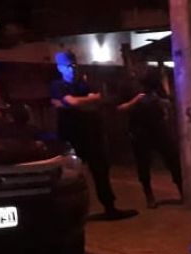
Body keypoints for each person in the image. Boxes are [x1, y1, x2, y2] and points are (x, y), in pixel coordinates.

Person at [50, 51, 136, 220]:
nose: (72, 69)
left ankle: (110, 207)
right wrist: (85, 100)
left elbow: (91, 101)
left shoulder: (84, 83)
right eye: (68, 66)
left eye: (74, 65)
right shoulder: (58, 85)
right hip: (72, 136)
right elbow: (75, 102)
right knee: (72, 175)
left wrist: (74, 103)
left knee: (101, 171)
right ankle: (72, 213)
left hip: (91, 134)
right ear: (60, 68)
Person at [117, 66, 183, 208]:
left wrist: (159, 101)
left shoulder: (154, 83)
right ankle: (149, 194)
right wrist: (135, 101)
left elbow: (168, 102)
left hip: (158, 126)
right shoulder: (127, 85)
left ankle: (182, 190)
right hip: (139, 128)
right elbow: (120, 108)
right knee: (143, 163)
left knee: (172, 157)